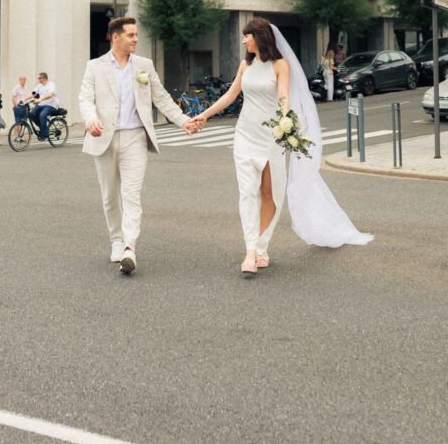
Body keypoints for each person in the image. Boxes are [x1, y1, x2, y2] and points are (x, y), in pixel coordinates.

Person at [197, 17, 373, 276]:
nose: (244, 40)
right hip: (245, 135)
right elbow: (230, 95)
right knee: (247, 192)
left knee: (271, 194)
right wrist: (204, 115)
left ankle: (262, 246)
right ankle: (250, 251)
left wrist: (285, 123)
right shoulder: (245, 65)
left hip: (271, 137)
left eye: (248, 35)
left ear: (260, 38)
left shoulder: (281, 65)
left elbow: (283, 98)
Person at [78, 15, 197, 275]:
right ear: (115, 36)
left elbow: (162, 98)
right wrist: (90, 119)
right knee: (110, 195)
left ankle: (130, 247)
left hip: (135, 137)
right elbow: (85, 99)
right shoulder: (95, 66)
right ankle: (116, 241)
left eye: (136, 35)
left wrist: (183, 121)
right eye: (130, 35)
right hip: (104, 138)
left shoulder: (144, 65)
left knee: (131, 194)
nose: (135, 39)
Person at [30, 72, 60, 141]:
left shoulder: (51, 85)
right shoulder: (39, 85)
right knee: (31, 114)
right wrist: (23, 99)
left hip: (52, 105)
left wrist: (40, 99)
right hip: (42, 104)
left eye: (39, 78)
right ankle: (44, 128)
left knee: (42, 115)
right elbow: (32, 93)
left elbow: (50, 95)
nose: (38, 79)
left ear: (44, 78)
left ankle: (44, 134)